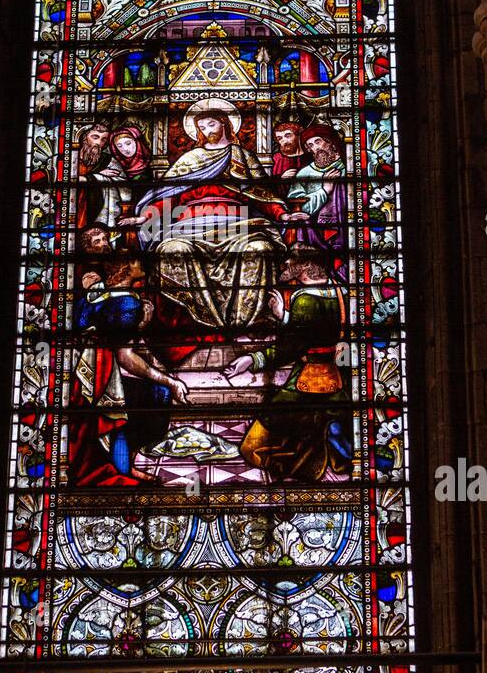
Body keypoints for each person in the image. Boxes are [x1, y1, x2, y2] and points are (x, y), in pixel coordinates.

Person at [118, 99, 289, 333]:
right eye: (202, 128)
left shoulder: (242, 155)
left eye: (211, 125)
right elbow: (169, 196)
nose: (207, 131)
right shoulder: (191, 159)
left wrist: (283, 214)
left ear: (224, 123)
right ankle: (199, 323)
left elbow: (262, 194)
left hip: (240, 225)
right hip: (189, 226)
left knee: (260, 249)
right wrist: (144, 217)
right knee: (171, 250)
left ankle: (242, 324)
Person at [228, 249, 354, 482]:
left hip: (305, 384)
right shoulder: (340, 290)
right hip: (337, 380)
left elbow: (292, 347)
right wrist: (285, 317)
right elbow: (317, 330)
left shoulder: (305, 298)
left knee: (251, 448)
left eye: (291, 259)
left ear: (306, 265)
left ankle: (314, 456)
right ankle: (331, 438)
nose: (285, 263)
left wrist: (252, 360)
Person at [67, 258, 188, 485]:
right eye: (134, 260)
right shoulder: (128, 305)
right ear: (124, 268)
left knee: (142, 400)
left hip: (86, 373)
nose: (141, 262)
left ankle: (126, 467)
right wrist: (171, 382)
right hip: (102, 378)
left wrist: (139, 327)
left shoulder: (96, 295)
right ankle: (121, 471)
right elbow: (125, 356)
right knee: (153, 396)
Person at [283, 122, 348, 266]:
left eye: (318, 142)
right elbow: (297, 207)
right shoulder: (304, 173)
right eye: (310, 145)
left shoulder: (348, 166)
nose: (315, 148)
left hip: (346, 226)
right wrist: (324, 190)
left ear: (330, 142)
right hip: (313, 232)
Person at [87, 125, 152, 231]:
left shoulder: (152, 167)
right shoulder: (116, 165)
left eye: (128, 143)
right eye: (119, 146)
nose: (125, 149)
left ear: (137, 141)